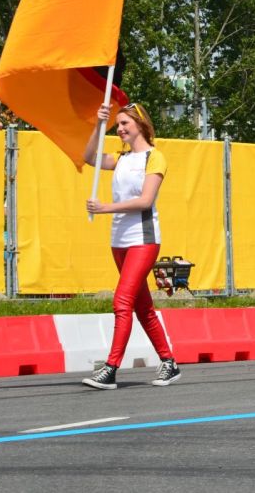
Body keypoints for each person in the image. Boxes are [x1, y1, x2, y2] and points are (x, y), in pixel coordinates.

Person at [81, 102, 181, 390]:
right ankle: (169, 363)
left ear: (140, 124)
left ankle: (111, 368)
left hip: (143, 239)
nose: (120, 129)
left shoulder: (154, 157)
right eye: (117, 125)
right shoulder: (121, 159)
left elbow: (145, 201)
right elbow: (89, 157)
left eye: (125, 124)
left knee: (122, 301)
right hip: (120, 241)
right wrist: (99, 125)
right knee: (142, 307)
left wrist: (105, 208)